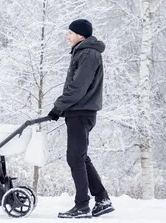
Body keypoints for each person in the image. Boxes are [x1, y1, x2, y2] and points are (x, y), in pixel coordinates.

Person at [47, 19, 115, 219]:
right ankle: (102, 199)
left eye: (70, 32)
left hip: (80, 112)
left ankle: (82, 206)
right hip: (79, 111)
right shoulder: (85, 52)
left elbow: (78, 88)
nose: (67, 36)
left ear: (81, 36)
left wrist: (57, 108)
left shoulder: (87, 54)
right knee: (80, 157)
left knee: (75, 157)